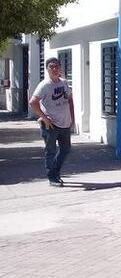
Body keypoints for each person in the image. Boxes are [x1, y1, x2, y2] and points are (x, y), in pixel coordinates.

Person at [29, 57, 75, 187]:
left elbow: (70, 100)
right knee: (50, 151)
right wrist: (44, 118)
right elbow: (33, 102)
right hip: (50, 125)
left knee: (66, 149)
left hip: (65, 123)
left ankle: (55, 172)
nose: (54, 69)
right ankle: (52, 177)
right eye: (51, 67)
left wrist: (72, 117)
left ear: (60, 68)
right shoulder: (45, 85)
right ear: (47, 69)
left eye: (56, 66)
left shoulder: (64, 83)